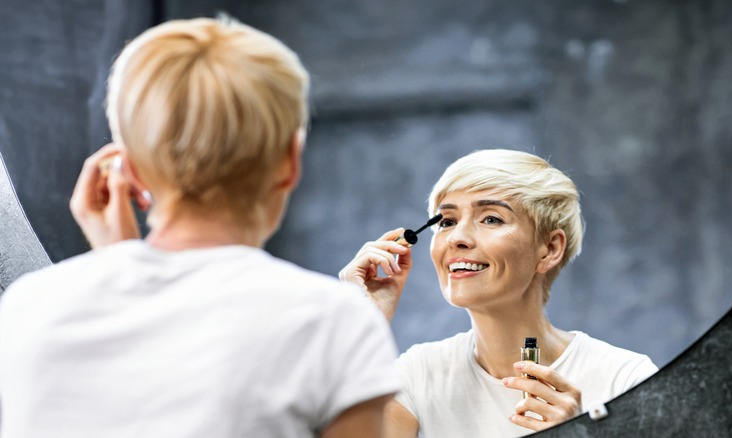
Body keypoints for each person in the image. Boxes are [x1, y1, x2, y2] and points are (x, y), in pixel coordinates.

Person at [0, 18, 400, 437]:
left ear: (127, 166)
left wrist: (117, 264)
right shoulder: (333, 322)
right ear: (290, 162)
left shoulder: (29, 307)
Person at [340, 148, 658, 437]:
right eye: (447, 221)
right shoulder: (419, 374)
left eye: (491, 218)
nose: (457, 238)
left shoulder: (626, 379)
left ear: (549, 248)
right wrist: (358, 327)